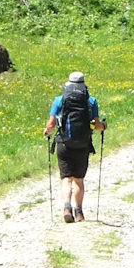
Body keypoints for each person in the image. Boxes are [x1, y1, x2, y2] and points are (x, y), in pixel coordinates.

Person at [44, 71, 106, 223]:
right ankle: (79, 213)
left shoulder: (60, 100)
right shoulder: (90, 101)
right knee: (79, 180)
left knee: (66, 179)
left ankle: (67, 208)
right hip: (83, 145)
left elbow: (51, 125)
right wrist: (104, 126)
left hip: (63, 144)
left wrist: (47, 132)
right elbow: (97, 126)